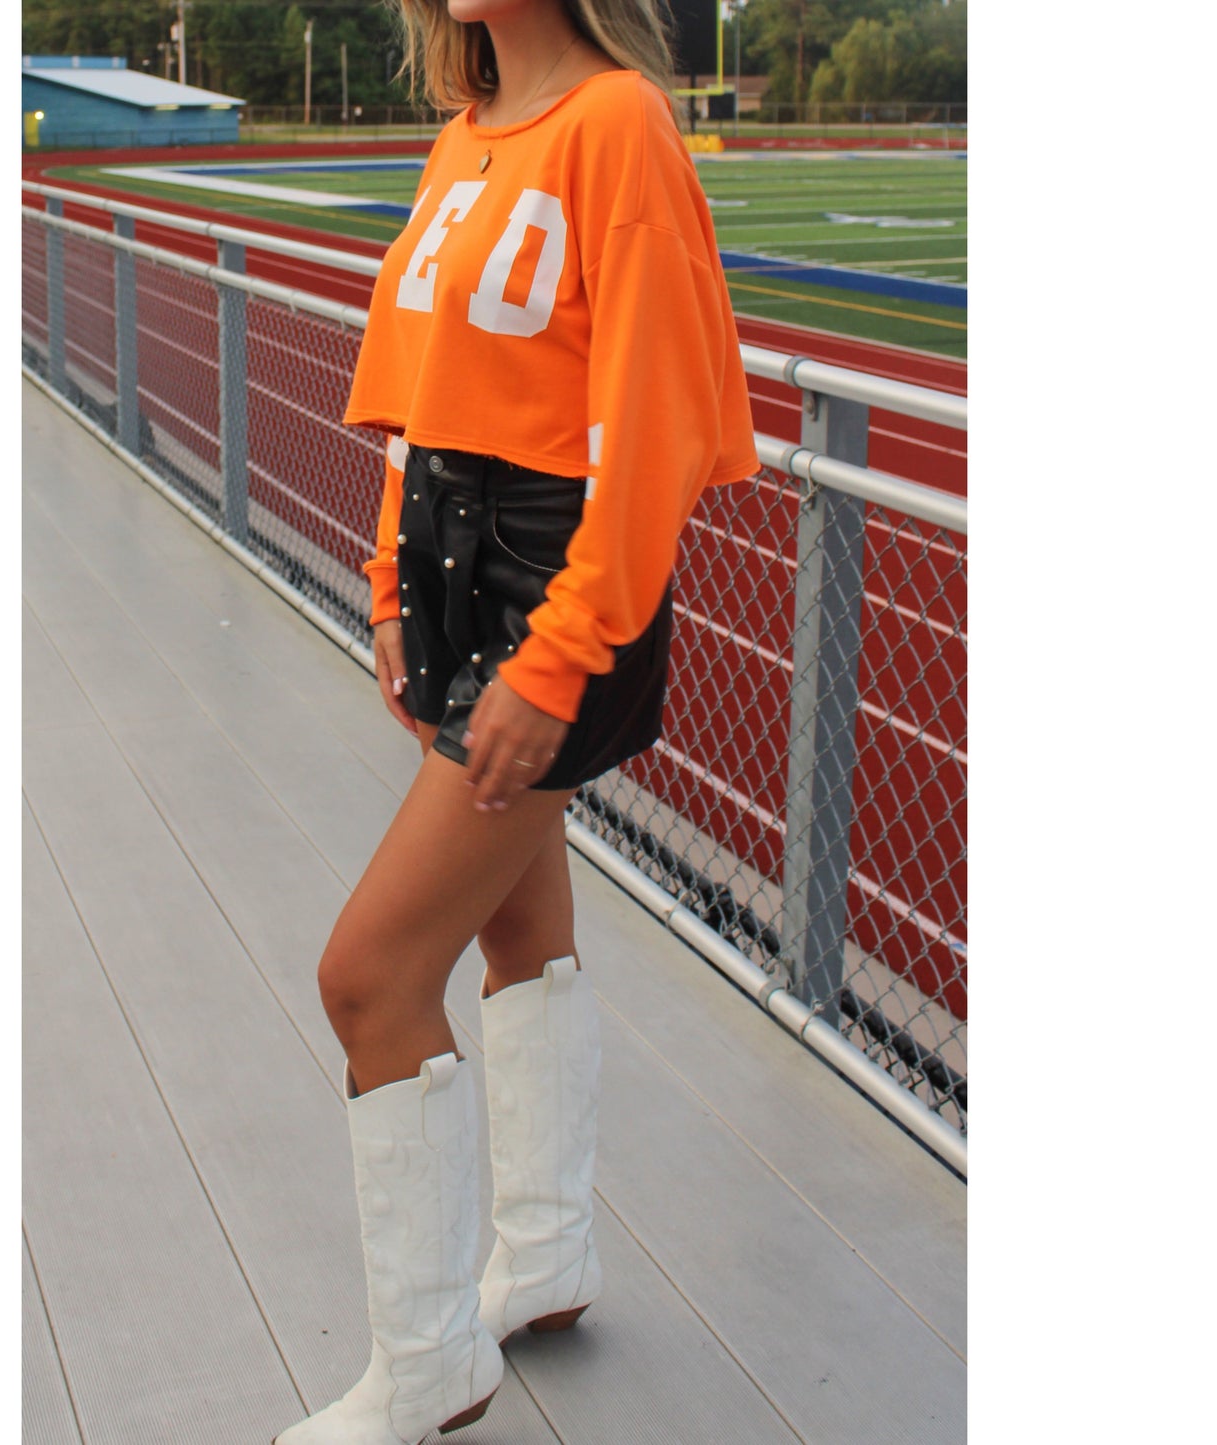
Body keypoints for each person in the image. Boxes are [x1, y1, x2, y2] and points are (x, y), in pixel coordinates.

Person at [273, 1, 758, 1441]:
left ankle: (430, 1367)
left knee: (368, 976)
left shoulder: (617, 125)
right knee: (516, 929)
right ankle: (543, 1258)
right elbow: (423, 406)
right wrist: (380, 589)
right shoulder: (461, 139)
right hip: (448, 579)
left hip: (556, 599)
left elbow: (653, 428)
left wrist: (554, 660)